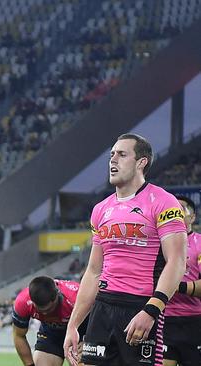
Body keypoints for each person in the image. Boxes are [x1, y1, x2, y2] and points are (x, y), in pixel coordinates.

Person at [63, 133, 188, 366]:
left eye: (122, 154)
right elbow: (93, 271)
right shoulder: (100, 210)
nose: (113, 160)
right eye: (111, 155)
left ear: (141, 162)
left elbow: (177, 262)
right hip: (103, 308)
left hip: (140, 307)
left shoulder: (164, 202)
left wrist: (152, 310)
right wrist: (73, 325)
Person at [13, 276, 86, 366]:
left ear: (57, 295)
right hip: (52, 332)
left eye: (49, 309)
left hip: (80, 330)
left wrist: (89, 342)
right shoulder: (23, 302)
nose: (45, 313)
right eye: (41, 310)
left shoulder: (76, 296)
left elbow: (102, 320)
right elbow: (19, 336)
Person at [162, 196, 201, 366]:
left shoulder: (200, 243)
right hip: (164, 320)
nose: (175, 214)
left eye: (181, 209)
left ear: (192, 217)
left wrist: (176, 286)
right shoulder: (159, 244)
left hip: (194, 322)